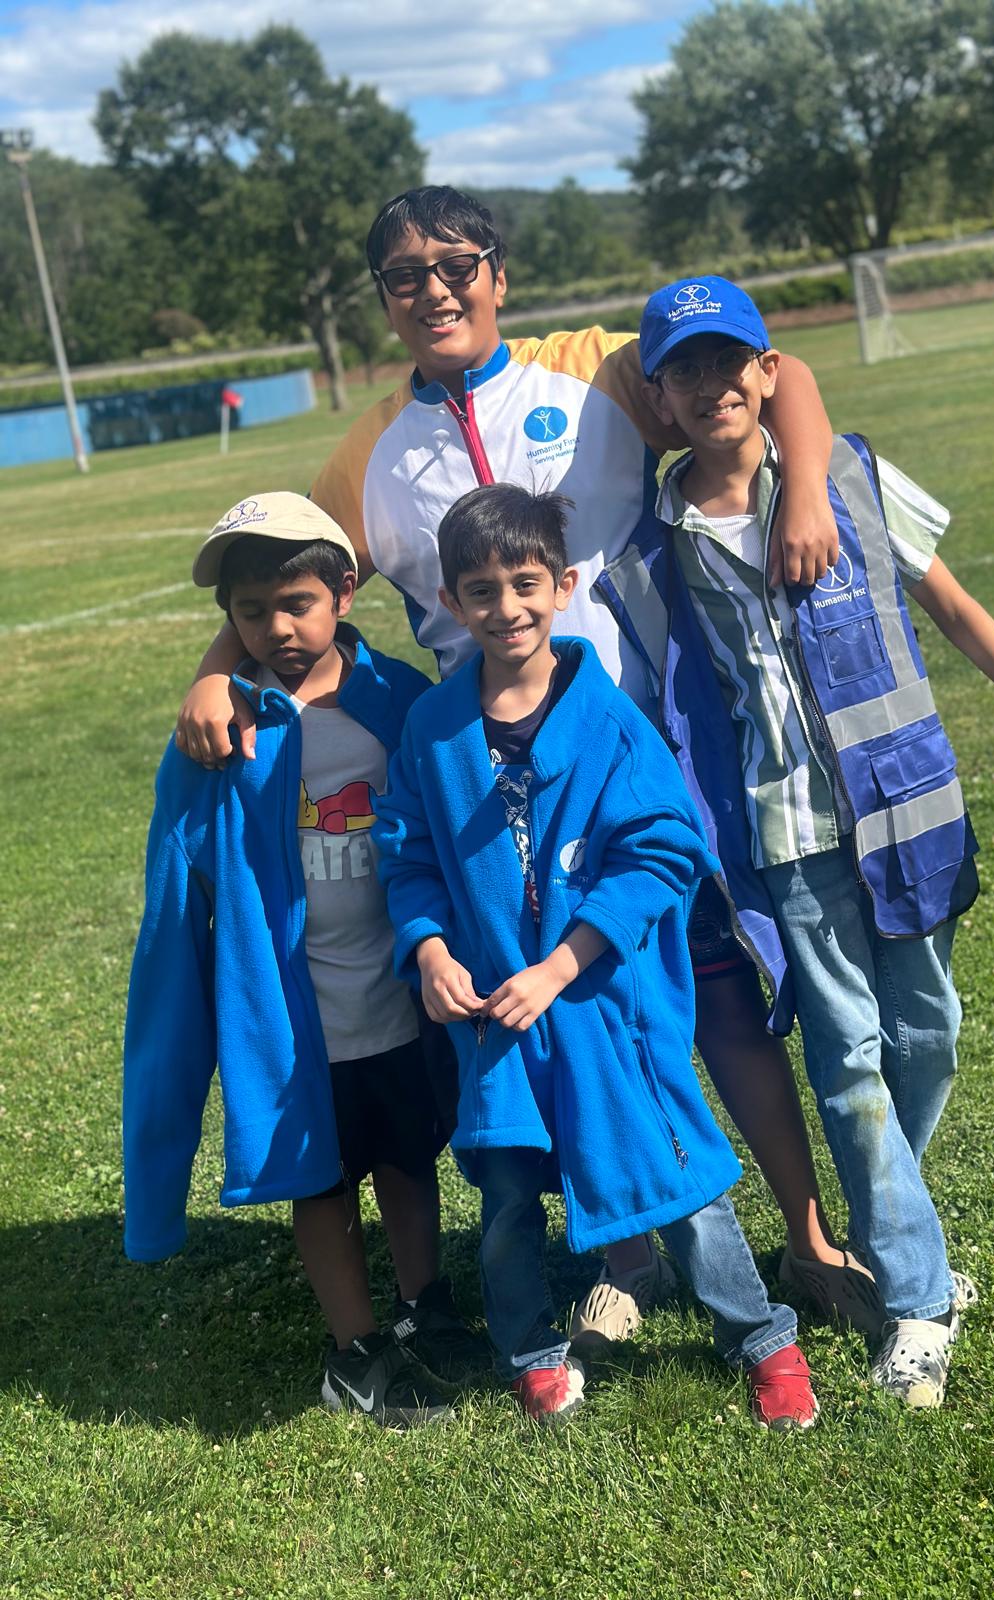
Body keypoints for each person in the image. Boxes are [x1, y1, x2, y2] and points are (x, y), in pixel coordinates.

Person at [172, 185, 861, 1345]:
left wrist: (800, 479)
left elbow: (773, 378)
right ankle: (624, 1256)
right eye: (405, 274)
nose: (434, 287)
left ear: (499, 274)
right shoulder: (369, 454)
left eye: (457, 263)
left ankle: (809, 1237)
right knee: (547, 1007)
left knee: (718, 998)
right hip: (490, 799)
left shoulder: (594, 371)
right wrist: (208, 669)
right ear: (384, 299)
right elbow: (290, 571)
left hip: (642, 758)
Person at [595, 275, 994, 1407]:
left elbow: (957, 609)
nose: (714, 383)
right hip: (785, 842)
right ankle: (917, 1299)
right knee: (850, 1061)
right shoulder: (652, 556)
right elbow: (647, 712)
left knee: (929, 1032)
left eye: (733, 360)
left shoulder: (858, 478)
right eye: (685, 368)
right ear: (662, 398)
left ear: (769, 372)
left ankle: (886, 1228)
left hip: (908, 807)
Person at [371, 482, 819, 1429]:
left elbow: (663, 852)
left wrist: (562, 967)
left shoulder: (612, 721)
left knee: (682, 1178)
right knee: (504, 1200)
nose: (508, 609)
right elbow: (406, 857)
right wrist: (430, 949)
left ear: (563, 584)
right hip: (496, 1021)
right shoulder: (433, 730)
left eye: (526, 584)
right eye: (482, 591)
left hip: (606, 1009)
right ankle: (532, 1350)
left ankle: (763, 1341)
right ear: (451, 602)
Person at [123, 492, 480, 1431]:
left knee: (408, 1158)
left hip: (399, 993)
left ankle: (424, 1306)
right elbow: (176, 886)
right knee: (319, 1180)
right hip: (291, 1016)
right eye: (250, 613)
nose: (277, 629)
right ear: (228, 620)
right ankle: (354, 1352)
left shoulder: (402, 703)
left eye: (297, 604)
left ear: (344, 593)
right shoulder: (215, 735)